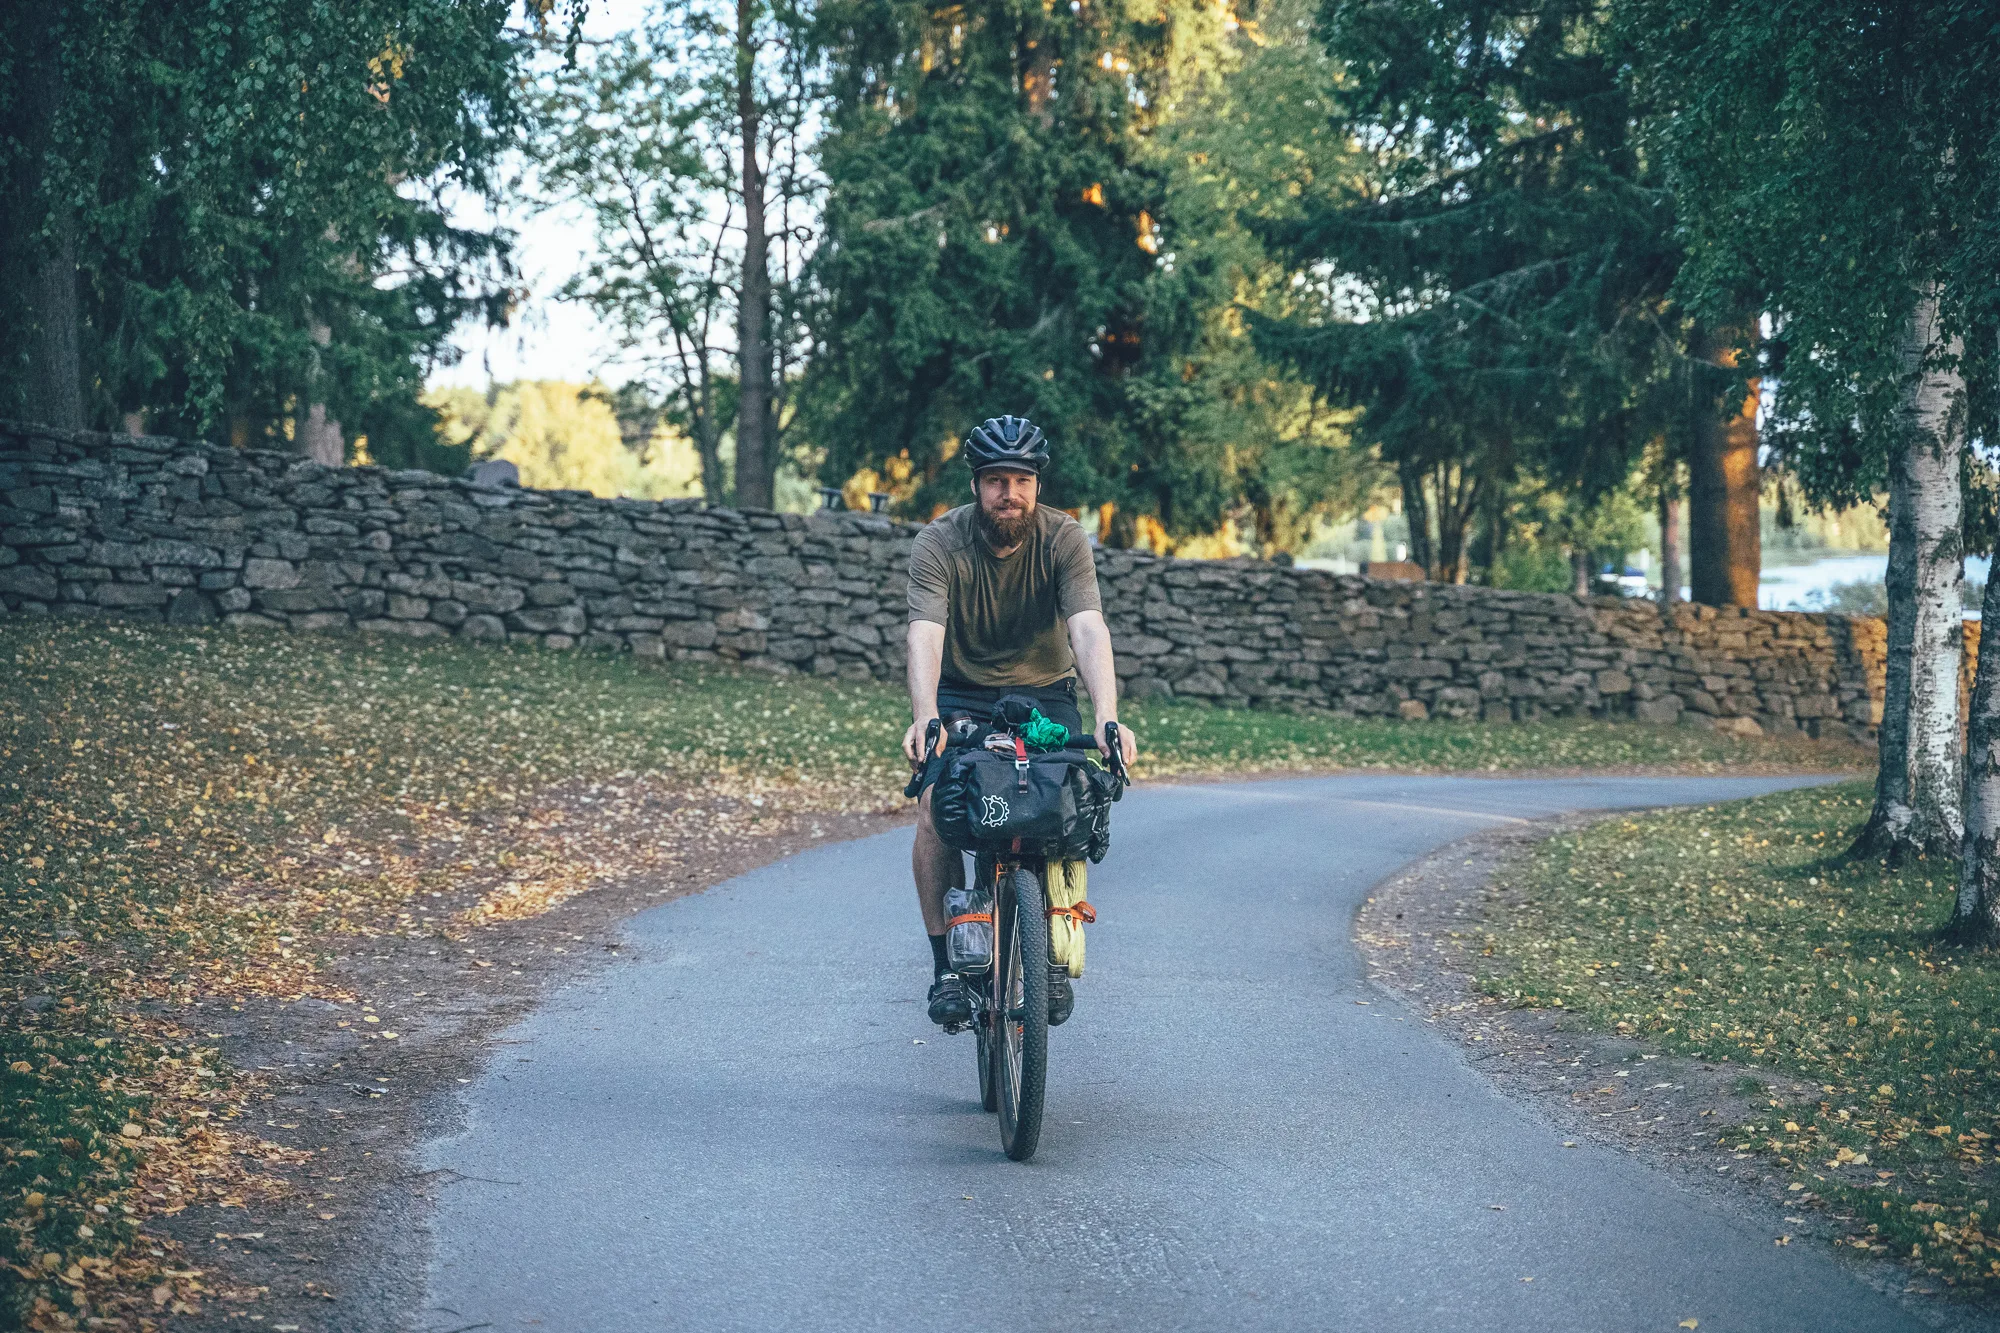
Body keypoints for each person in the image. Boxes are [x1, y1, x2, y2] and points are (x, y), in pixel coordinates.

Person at [902, 415, 1139, 1028]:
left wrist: (1109, 717)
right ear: (977, 485)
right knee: (935, 809)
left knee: (1065, 803)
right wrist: (926, 716)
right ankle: (947, 969)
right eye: (997, 480)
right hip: (964, 694)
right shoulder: (940, 543)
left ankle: (1052, 957)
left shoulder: (1064, 539)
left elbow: (1087, 627)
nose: (1010, 493)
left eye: (1022, 480)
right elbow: (925, 633)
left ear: (1037, 485)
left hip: (1046, 694)